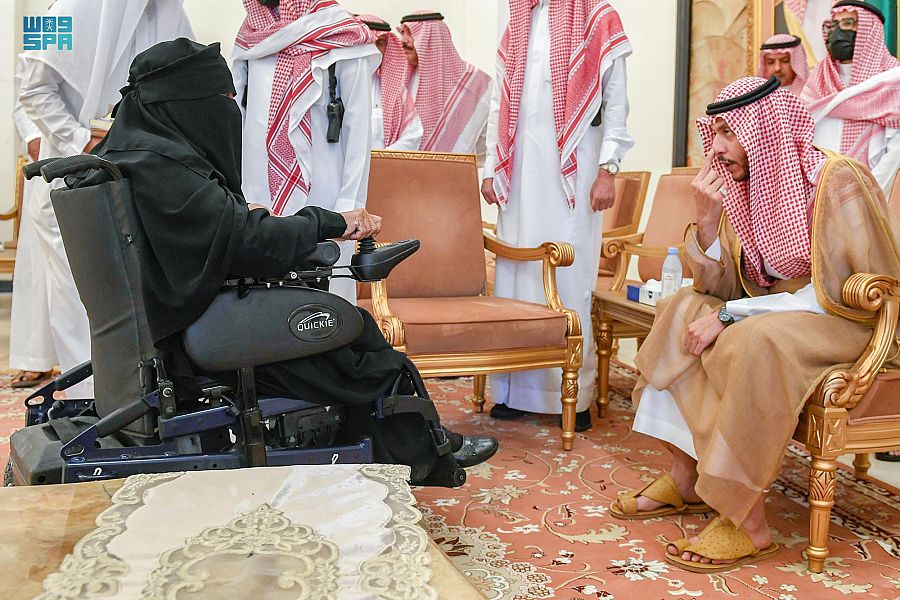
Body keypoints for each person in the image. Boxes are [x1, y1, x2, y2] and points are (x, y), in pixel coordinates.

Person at [84, 38, 498, 485]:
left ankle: (409, 443)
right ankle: (420, 452)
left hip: (174, 327)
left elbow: (212, 233)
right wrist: (331, 222)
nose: (230, 110)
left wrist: (254, 220)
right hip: (198, 333)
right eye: (223, 98)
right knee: (355, 339)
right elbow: (244, 241)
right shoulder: (163, 166)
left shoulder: (130, 155)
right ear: (186, 100)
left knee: (351, 328)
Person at [612, 76, 900, 572]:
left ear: (766, 130)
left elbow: (842, 291)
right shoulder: (744, 187)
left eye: (729, 133)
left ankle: (747, 520)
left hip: (844, 320)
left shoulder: (836, 180)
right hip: (776, 314)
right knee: (680, 307)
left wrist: (730, 315)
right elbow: (721, 287)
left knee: (754, 339)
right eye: (714, 133)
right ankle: (686, 476)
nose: (717, 149)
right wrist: (706, 222)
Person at [17, 0, 194, 397]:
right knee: (80, 303)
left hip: (139, 175)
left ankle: (138, 401)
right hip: (71, 180)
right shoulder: (55, 14)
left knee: (138, 299)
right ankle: (88, 404)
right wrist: (82, 141)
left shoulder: (168, 12)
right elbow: (29, 88)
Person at [482, 0, 634, 432]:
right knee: (516, 277)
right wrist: (491, 167)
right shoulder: (519, 18)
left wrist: (608, 169)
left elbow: (617, 103)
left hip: (575, 173)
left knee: (568, 279)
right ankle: (513, 391)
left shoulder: (599, 17)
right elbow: (499, 101)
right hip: (518, 175)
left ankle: (571, 393)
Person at [233, 0, 380, 303]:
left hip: (325, 195)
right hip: (257, 193)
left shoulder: (343, 35)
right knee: (260, 301)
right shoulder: (251, 37)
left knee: (323, 304)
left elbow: (358, 132)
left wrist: (347, 209)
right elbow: (237, 116)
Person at [801, 0, 900, 192]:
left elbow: (895, 151)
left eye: (847, 23)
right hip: (820, 190)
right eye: (833, 25)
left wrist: (868, 196)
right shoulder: (818, 79)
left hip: (873, 190)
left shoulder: (891, 79)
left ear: (868, 31)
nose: (837, 32)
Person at [9, 63, 56, 390]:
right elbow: (25, 91)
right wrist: (33, 136)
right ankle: (34, 358)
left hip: (100, 139)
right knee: (38, 265)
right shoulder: (50, 30)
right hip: (51, 148)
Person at [398, 11, 492, 156]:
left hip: (454, 168)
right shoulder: (401, 80)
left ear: (432, 39)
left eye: (411, 33)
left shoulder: (475, 83)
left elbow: (489, 139)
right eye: (402, 33)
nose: (403, 40)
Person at [357, 14, 423, 151]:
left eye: (380, 43)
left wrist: (380, 160)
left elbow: (412, 135)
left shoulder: (396, 91)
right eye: (368, 43)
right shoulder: (333, 86)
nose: (373, 50)